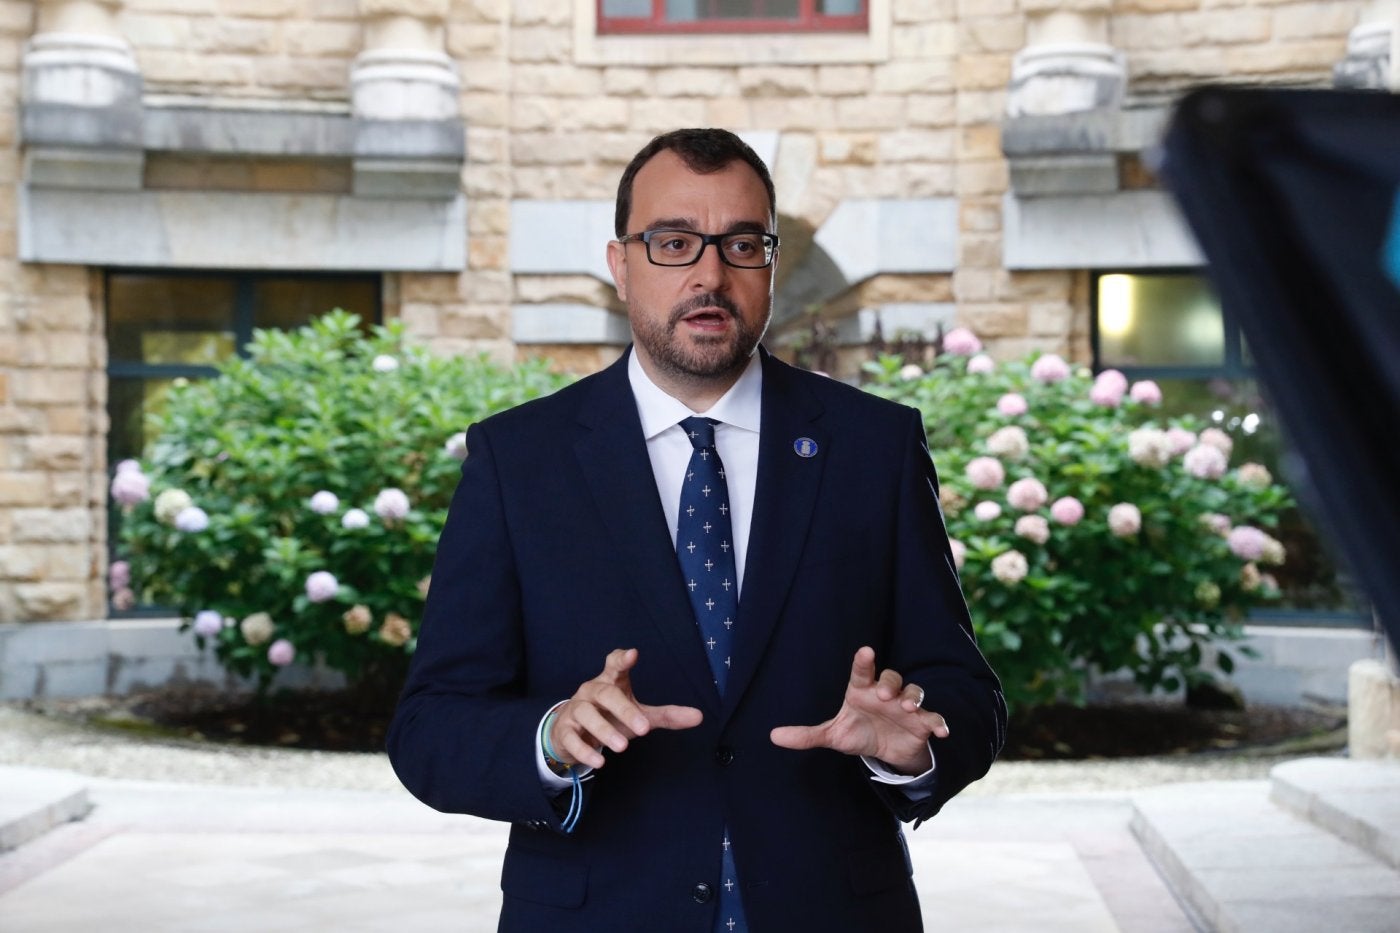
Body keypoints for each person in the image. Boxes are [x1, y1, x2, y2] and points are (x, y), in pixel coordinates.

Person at [387, 128, 1006, 932]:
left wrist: (914, 747)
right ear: (621, 264)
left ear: (770, 264)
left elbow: (968, 692)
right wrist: (550, 736)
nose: (710, 274)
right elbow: (430, 725)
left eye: (742, 244)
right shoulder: (519, 459)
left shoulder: (873, 446)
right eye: (674, 242)